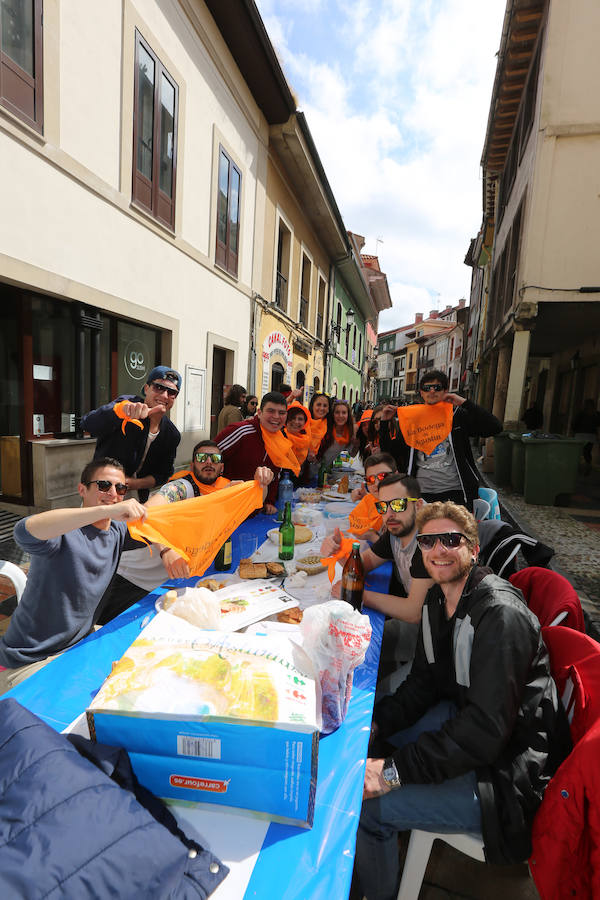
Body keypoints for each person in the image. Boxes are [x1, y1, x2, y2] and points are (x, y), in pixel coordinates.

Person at [354, 501, 571, 900]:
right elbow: (423, 683)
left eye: (451, 540)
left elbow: (482, 734)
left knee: (367, 810)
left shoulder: (500, 616)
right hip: (475, 731)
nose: (439, 550)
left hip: (506, 780)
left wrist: (391, 773)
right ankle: (392, 839)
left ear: (473, 549)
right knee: (370, 741)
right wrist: (379, 722)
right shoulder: (439, 600)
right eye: (428, 541)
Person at [0, 458, 147, 694]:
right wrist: (108, 509)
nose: (113, 493)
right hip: (29, 661)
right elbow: (23, 532)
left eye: (120, 489)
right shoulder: (63, 531)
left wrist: (167, 549)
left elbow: (155, 522)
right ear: (82, 489)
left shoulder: (116, 530)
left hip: (79, 645)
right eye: (103, 485)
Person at [97, 442, 274, 623]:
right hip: (135, 578)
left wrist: (262, 482)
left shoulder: (226, 490)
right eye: (201, 458)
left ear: (222, 467)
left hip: (171, 582)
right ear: (192, 465)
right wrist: (166, 550)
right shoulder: (182, 488)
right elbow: (145, 514)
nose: (208, 462)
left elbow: (256, 498)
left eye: (215, 459)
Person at [322, 472, 433, 677]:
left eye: (398, 505)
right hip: (419, 623)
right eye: (383, 507)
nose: (389, 514)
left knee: (345, 653)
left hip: (434, 638)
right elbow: (364, 563)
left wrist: (358, 593)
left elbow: (414, 611)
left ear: (417, 506)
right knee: (334, 642)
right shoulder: (395, 533)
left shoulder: (428, 542)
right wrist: (338, 550)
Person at [379, 369, 501, 509]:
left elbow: (494, 427)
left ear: (445, 391)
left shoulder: (457, 416)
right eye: (427, 388)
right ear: (421, 392)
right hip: (421, 492)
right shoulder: (412, 419)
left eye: (437, 387)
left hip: (456, 491)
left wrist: (464, 403)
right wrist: (384, 423)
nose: (432, 391)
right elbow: (389, 452)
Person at [81, 366, 181, 501]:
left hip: (137, 496)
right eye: (159, 387)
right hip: (103, 489)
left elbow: (163, 474)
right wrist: (119, 411)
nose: (164, 395)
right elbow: (87, 424)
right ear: (146, 389)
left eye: (171, 392)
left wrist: (134, 484)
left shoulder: (171, 434)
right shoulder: (127, 405)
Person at [216, 391, 294, 514]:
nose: (276, 417)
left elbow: (276, 475)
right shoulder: (241, 431)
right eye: (271, 411)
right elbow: (209, 459)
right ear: (259, 412)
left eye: (281, 413)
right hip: (226, 508)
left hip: (255, 510)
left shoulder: (282, 441)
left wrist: (269, 501)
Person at [318, 400, 356, 469]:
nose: (340, 416)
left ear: (348, 415)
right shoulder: (325, 430)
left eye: (344, 413)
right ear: (333, 414)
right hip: (313, 470)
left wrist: (356, 443)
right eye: (337, 412)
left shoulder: (350, 432)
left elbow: (352, 455)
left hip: (329, 471)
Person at [283, 401, 312, 477]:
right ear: (286, 419)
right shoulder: (280, 437)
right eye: (292, 418)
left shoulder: (305, 440)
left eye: (300, 419)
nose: (296, 422)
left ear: (304, 422)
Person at [573, 398, 600, 473]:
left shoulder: (581, 413)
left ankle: (577, 467)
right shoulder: (596, 414)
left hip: (580, 434)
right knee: (587, 452)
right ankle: (588, 466)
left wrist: (574, 431)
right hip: (591, 436)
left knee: (579, 451)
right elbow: (598, 425)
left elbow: (575, 423)